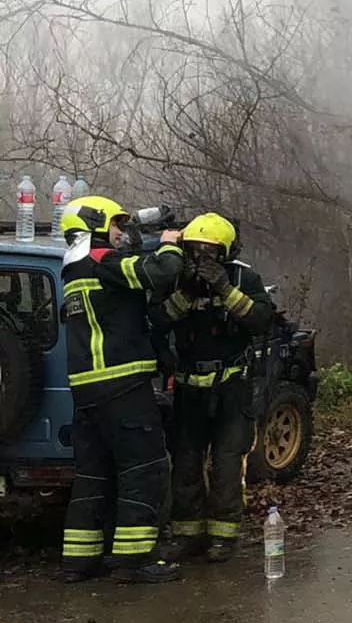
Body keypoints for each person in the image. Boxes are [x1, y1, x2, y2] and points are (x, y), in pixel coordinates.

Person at [57, 195, 185, 583]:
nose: (119, 233)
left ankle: (79, 561)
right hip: (122, 385)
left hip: (86, 391)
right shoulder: (102, 261)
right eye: (115, 224)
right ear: (95, 224)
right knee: (144, 468)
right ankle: (135, 560)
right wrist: (169, 243)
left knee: (93, 475)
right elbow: (158, 274)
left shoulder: (73, 268)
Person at [157, 213, 274, 563]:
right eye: (194, 251)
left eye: (209, 252)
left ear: (224, 253)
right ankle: (187, 536)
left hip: (231, 390)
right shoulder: (178, 279)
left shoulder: (243, 277)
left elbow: (261, 320)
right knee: (186, 464)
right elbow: (159, 320)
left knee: (226, 465)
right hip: (190, 392)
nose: (200, 259)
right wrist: (186, 293)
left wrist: (226, 289)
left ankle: (224, 537)